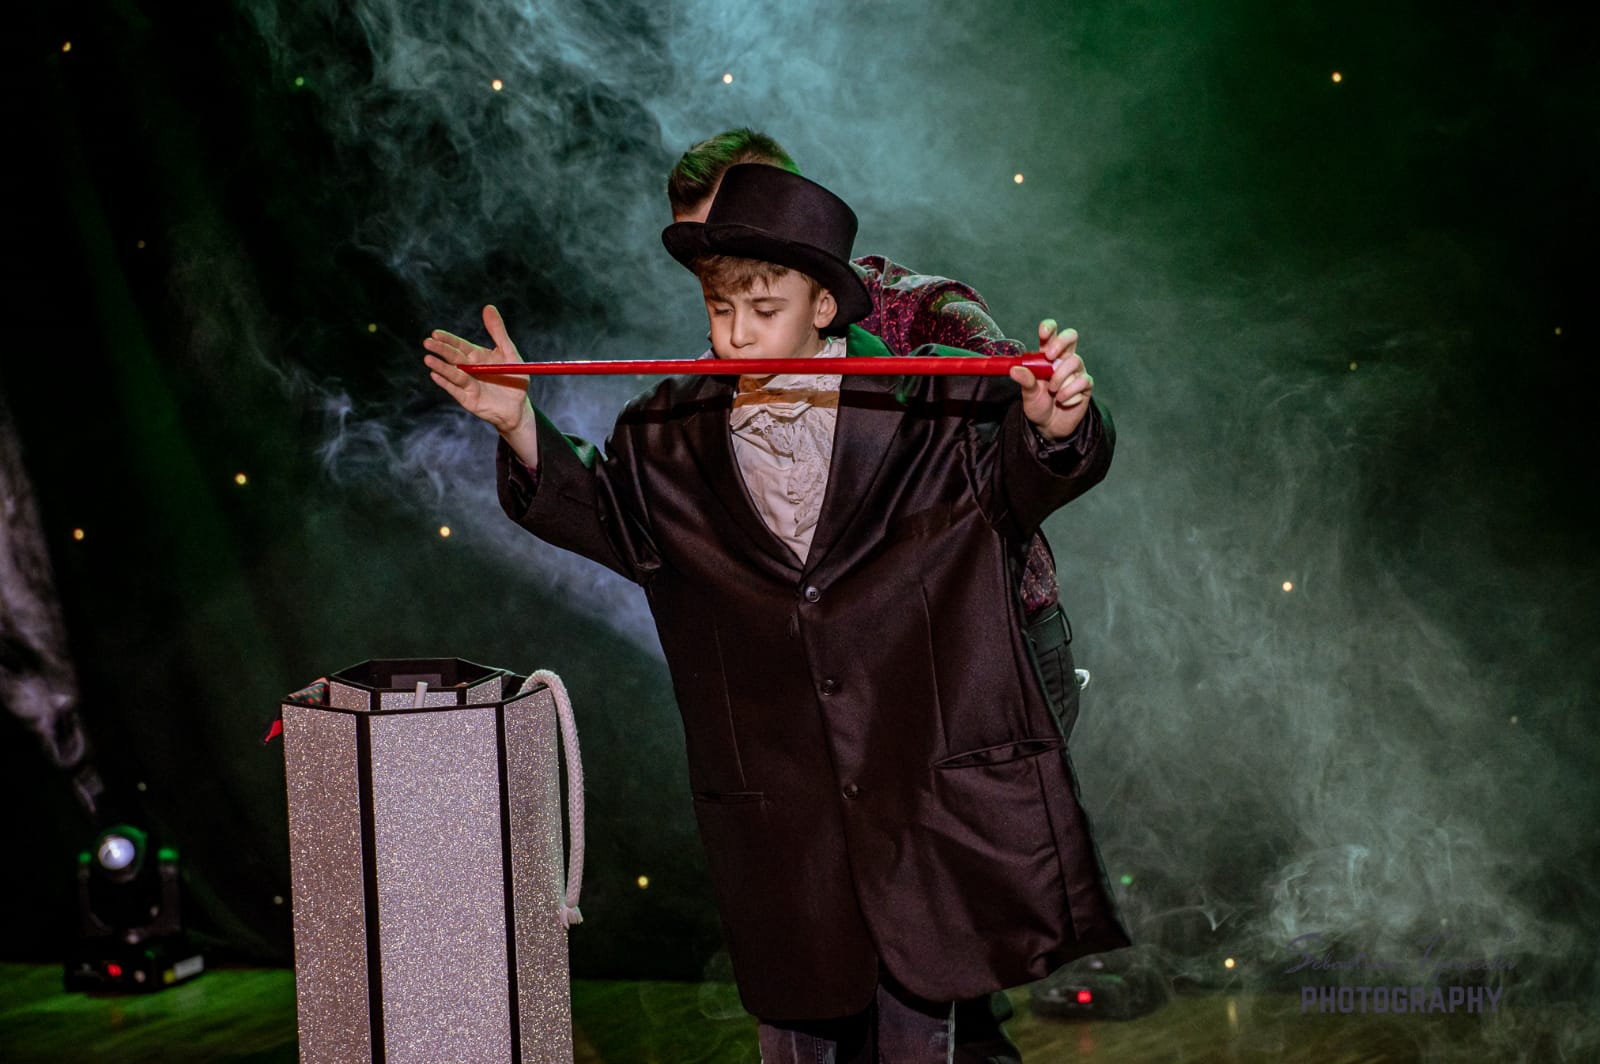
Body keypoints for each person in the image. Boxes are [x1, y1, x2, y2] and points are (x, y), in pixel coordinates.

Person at [424, 164, 1129, 1061]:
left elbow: (1029, 479)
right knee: (798, 1034)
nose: (736, 334)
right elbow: (609, 521)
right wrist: (518, 424)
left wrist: (1059, 425)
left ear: (824, 307)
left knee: (930, 1038)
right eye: (720, 310)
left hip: (918, 787)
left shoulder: (932, 405)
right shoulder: (666, 432)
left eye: (763, 310)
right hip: (783, 814)